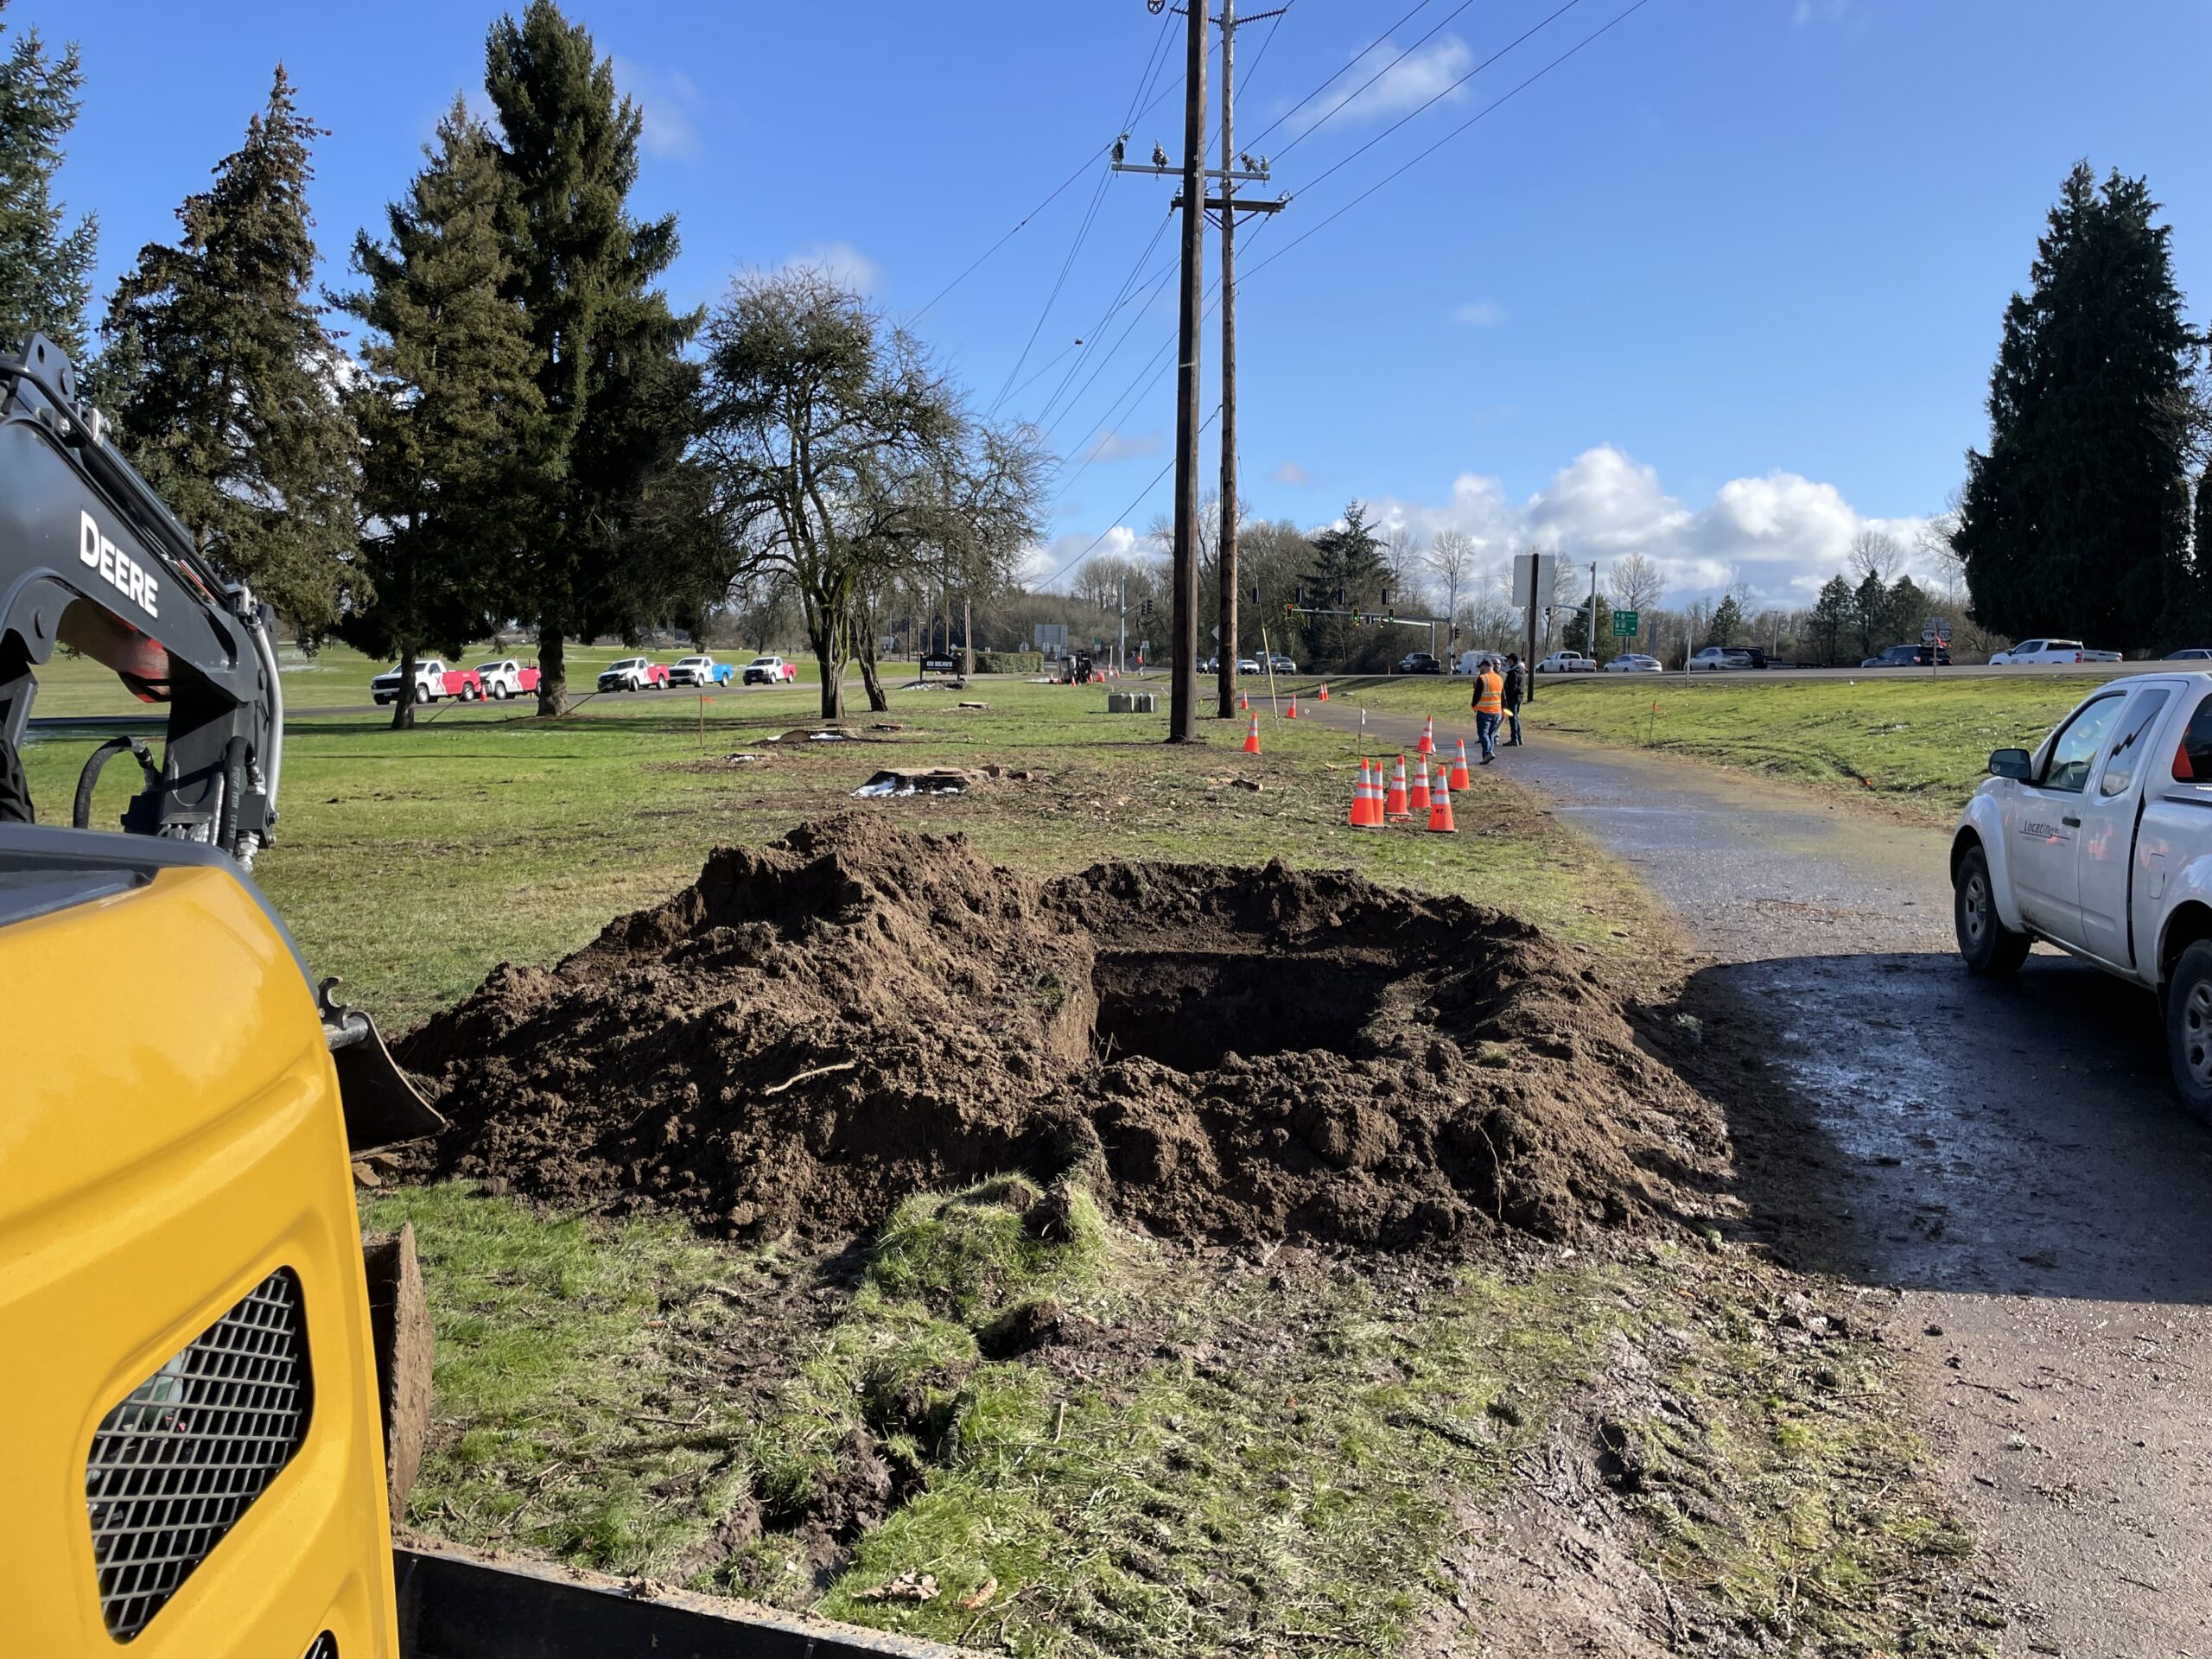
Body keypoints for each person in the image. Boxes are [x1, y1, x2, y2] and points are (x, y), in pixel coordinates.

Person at [1471, 656, 1505, 763]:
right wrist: (1505, 709)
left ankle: (1487, 752)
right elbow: (1503, 696)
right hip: (1497, 711)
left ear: (1485, 666)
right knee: (1491, 734)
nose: (1479, 670)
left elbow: (1477, 695)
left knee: (1483, 733)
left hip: (1484, 711)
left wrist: (1473, 706)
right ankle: (1487, 755)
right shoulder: (1499, 678)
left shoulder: (1482, 678)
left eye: (1480, 667)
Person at [1502, 653, 1525, 747]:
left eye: (1508, 660)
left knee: (1512, 718)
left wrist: (1507, 697)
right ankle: (1519, 738)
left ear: (1512, 660)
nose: (1507, 662)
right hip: (1519, 697)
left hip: (1513, 698)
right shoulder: (1521, 670)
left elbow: (1512, 687)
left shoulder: (1513, 672)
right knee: (1516, 717)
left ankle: (1514, 738)